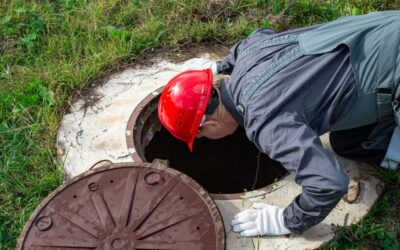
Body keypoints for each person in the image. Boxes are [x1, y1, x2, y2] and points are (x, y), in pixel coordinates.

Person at [158, 11, 400, 236]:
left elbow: (329, 183)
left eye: (200, 136)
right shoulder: (249, 55)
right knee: (349, 143)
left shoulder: (264, 122)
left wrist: (285, 220)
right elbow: (255, 36)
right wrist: (221, 66)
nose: (205, 140)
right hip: (386, 29)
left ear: (209, 125)